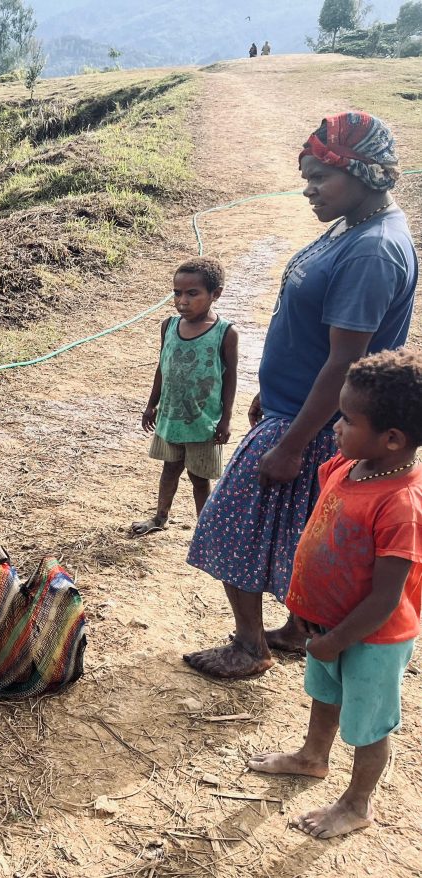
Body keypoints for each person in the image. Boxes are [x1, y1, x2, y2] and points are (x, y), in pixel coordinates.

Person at [184, 112, 417, 679]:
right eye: (305, 176)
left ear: (361, 173)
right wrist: (271, 386)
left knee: (227, 522)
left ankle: (248, 646)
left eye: (318, 177)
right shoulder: (354, 224)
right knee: (300, 534)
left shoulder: (372, 252)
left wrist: (291, 445)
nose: (308, 189)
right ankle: (293, 629)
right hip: (294, 406)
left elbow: (344, 360)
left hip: (312, 423)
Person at [248, 349, 422, 839]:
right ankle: (311, 757)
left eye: (347, 419)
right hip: (326, 627)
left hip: (371, 638)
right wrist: (311, 617)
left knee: (368, 725)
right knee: (324, 697)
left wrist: (339, 639)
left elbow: (386, 599)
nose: (336, 427)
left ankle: (357, 803)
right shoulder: (347, 468)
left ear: (392, 438)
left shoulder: (401, 504)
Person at [132, 257, 238, 536]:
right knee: (170, 468)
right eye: (177, 293)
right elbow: (162, 367)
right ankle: (159, 517)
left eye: (193, 293)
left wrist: (226, 420)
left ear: (215, 294)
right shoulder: (169, 326)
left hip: (203, 422)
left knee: (199, 478)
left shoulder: (225, 333)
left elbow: (230, 378)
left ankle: (204, 530)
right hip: (171, 417)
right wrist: (150, 405)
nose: (182, 301)